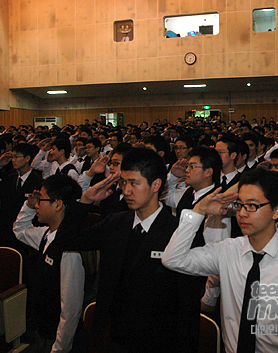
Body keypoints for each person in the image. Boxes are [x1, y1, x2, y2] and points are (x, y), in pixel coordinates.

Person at [162, 169, 278, 353]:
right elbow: (173, 260)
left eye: (252, 206)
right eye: (239, 205)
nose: (242, 213)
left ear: (277, 210)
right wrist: (198, 211)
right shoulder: (228, 250)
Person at [61, 148, 200, 352]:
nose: (126, 190)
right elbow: (65, 240)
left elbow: (188, 305)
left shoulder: (179, 232)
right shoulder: (115, 222)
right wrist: (85, 201)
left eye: (134, 183)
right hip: (114, 334)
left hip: (158, 340)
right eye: (123, 182)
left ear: (156, 185)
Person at [13, 174, 85, 353]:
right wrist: (28, 206)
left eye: (41, 200)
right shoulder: (46, 234)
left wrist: (60, 348)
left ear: (58, 204)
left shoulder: (69, 251)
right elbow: (20, 230)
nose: (37, 204)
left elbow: (70, 310)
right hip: (43, 330)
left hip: (57, 339)